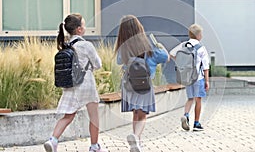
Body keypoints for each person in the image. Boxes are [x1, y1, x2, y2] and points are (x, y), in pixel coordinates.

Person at [44, 13, 107, 152]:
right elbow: (98, 64)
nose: (85, 27)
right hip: (87, 85)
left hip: (71, 85)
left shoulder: (65, 45)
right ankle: (94, 146)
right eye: (84, 24)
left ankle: (53, 140)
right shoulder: (86, 45)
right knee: (94, 116)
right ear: (79, 29)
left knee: (68, 116)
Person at [114, 15, 169, 152]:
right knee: (142, 114)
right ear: (139, 28)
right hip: (144, 84)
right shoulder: (148, 45)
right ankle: (136, 137)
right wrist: (161, 47)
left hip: (128, 84)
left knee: (135, 112)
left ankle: (136, 143)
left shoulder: (123, 47)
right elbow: (165, 57)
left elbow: (119, 61)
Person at [169, 24, 210, 131]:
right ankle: (196, 123)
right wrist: (207, 81)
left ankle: (186, 115)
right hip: (198, 77)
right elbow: (205, 66)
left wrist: (180, 64)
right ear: (198, 35)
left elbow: (171, 54)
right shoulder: (201, 48)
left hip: (187, 77)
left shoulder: (183, 45)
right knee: (198, 100)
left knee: (190, 99)